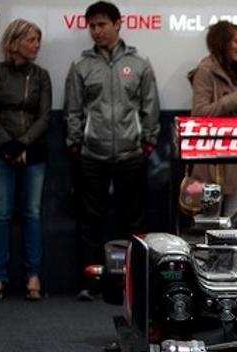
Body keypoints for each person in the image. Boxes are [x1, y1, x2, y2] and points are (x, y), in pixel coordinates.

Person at [64, 1, 160, 301]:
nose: (97, 31)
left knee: (133, 222)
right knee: (90, 221)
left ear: (118, 24)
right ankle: (91, 283)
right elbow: (73, 110)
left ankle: (131, 281)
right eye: (92, 26)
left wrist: (146, 144)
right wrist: (76, 145)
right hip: (92, 155)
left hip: (132, 155)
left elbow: (150, 108)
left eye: (102, 24)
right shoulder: (81, 66)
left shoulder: (140, 64)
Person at [0, 19, 51, 301]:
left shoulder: (41, 75)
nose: (36, 46)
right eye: (31, 40)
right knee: (1, 214)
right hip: (0, 151)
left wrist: (22, 143)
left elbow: (44, 116)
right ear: (15, 42)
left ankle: (33, 276)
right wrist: (8, 143)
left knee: (31, 214)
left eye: (38, 40)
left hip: (33, 152)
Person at [187, 21, 237, 218]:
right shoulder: (205, 70)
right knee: (208, 221)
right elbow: (199, 112)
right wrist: (235, 100)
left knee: (235, 221)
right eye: (236, 41)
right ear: (222, 42)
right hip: (212, 161)